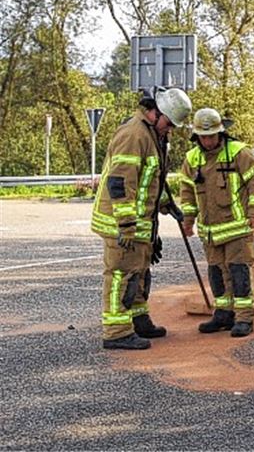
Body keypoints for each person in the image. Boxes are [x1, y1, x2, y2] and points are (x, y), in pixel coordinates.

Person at [91, 87, 192, 350]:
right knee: (122, 275)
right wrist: (126, 225)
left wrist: (167, 205)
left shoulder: (152, 134)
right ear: (155, 112)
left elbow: (151, 180)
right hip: (122, 224)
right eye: (169, 123)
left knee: (139, 270)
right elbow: (121, 182)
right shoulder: (134, 134)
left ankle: (138, 319)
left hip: (140, 223)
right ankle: (117, 331)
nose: (170, 129)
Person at [179, 108, 254, 337]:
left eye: (212, 136)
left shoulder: (239, 153)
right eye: (203, 137)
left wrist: (253, 213)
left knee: (239, 272)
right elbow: (187, 192)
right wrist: (188, 220)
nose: (208, 141)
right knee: (217, 273)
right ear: (196, 136)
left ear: (221, 133)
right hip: (210, 232)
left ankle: (244, 317)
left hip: (237, 228)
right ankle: (224, 313)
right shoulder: (192, 158)